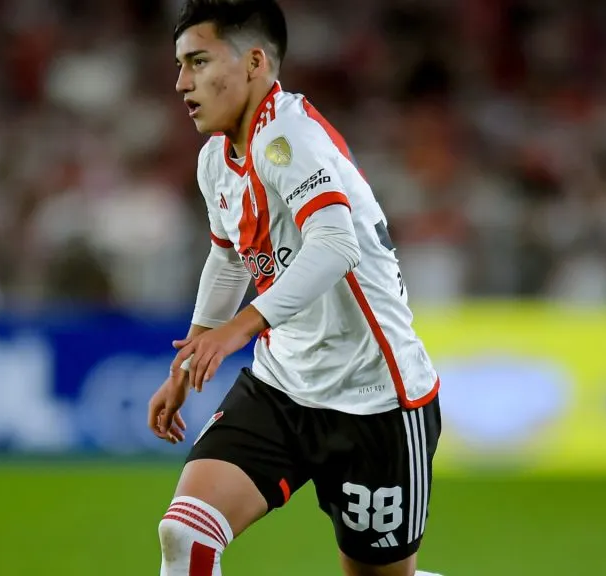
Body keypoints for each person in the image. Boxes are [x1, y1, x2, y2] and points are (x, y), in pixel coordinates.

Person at [147, 1, 443, 574]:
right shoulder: (215, 159)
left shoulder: (289, 136)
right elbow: (229, 256)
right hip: (281, 387)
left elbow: (335, 246)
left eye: (198, 62)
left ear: (255, 62)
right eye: (180, 66)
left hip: (375, 398)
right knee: (184, 533)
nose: (182, 83)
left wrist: (235, 331)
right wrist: (188, 359)